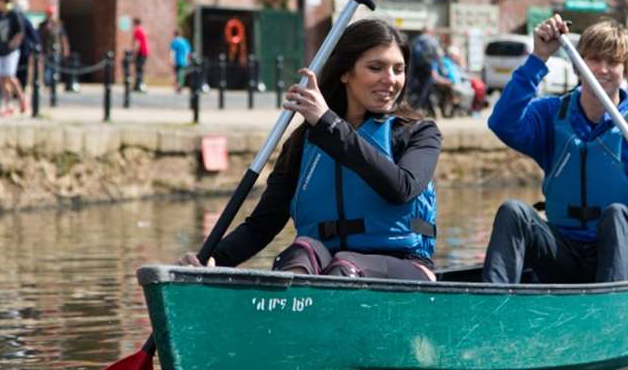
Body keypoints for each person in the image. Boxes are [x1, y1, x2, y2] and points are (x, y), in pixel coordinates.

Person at [176, 18, 442, 281]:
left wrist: (329, 123)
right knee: (299, 252)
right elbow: (262, 226)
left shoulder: (420, 133)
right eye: (376, 68)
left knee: (344, 265)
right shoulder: (303, 143)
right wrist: (213, 260)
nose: (391, 80)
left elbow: (401, 188)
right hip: (326, 264)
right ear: (345, 72)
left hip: (405, 265)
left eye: (399, 69)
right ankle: (287, 315)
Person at [482, 16, 628, 285]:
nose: (603, 69)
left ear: (626, 70)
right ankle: (493, 309)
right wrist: (538, 58)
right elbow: (502, 123)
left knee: (616, 214)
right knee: (513, 212)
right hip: (566, 251)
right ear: (578, 65)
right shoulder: (550, 115)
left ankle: (612, 311)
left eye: (613, 62)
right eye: (594, 60)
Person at [0, 0, 26, 116]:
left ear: (2, 1)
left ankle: (22, 98)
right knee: (2, 78)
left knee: (10, 76)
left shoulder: (13, 13)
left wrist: (13, 43)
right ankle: (8, 105)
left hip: (11, 50)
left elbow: (20, 31)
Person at [39, 6, 70, 89]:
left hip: (56, 49)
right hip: (46, 50)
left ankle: (54, 83)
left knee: (55, 67)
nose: (50, 15)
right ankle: (47, 83)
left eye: (51, 14)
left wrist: (65, 49)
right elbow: (39, 38)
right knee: (46, 67)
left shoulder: (59, 24)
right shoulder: (42, 25)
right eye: (48, 14)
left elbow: (63, 38)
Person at [14, 0, 41, 91]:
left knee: (19, 70)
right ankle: (20, 88)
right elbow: (34, 36)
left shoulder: (23, 21)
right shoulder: (25, 21)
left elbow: (34, 36)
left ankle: (18, 89)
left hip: (20, 49)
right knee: (21, 71)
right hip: (20, 49)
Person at [131, 17, 149, 92]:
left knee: (139, 69)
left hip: (140, 52)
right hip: (144, 52)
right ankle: (138, 85)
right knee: (140, 69)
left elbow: (137, 43)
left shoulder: (137, 30)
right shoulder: (142, 30)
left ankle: (139, 85)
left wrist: (134, 54)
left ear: (135, 22)